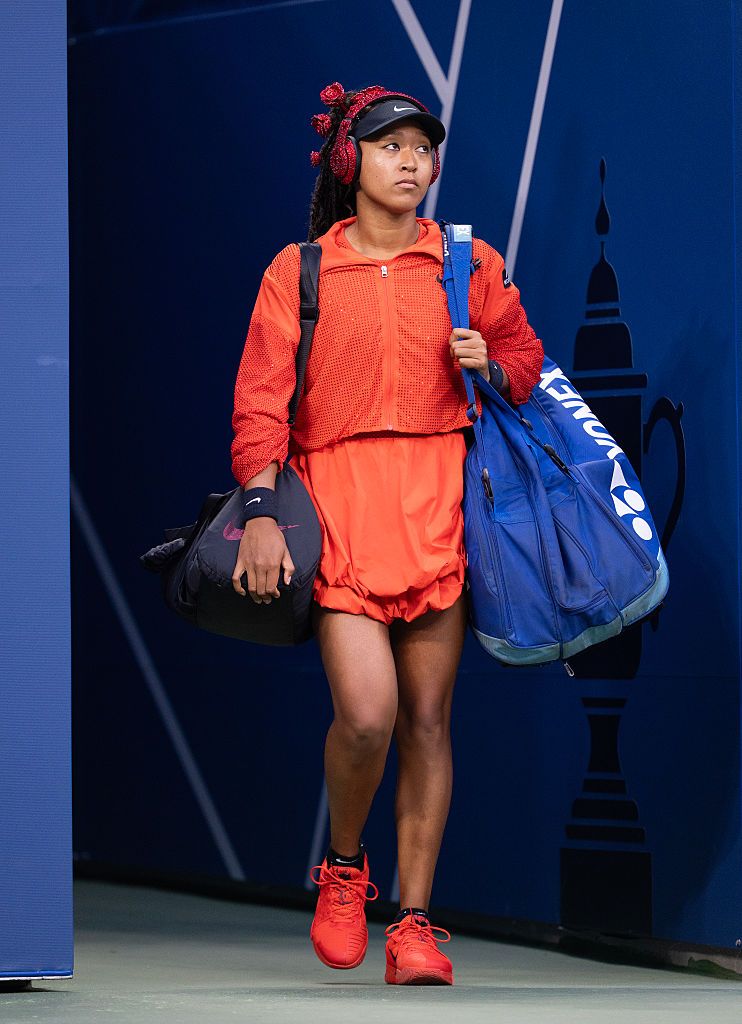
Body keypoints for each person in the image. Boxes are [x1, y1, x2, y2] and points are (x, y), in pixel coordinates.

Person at [230, 81, 543, 986]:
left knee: (430, 721)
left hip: (439, 514)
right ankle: (343, 866)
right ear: (348, 159)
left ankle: (414, 923)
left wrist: (495, 365)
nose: (411, 162)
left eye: (421, 148)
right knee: (368, 717)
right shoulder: (300, 271)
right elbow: (261, 405)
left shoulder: (465, 263)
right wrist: (260, 512)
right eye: (390, 146)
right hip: (340, 517)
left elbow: (526, 358)